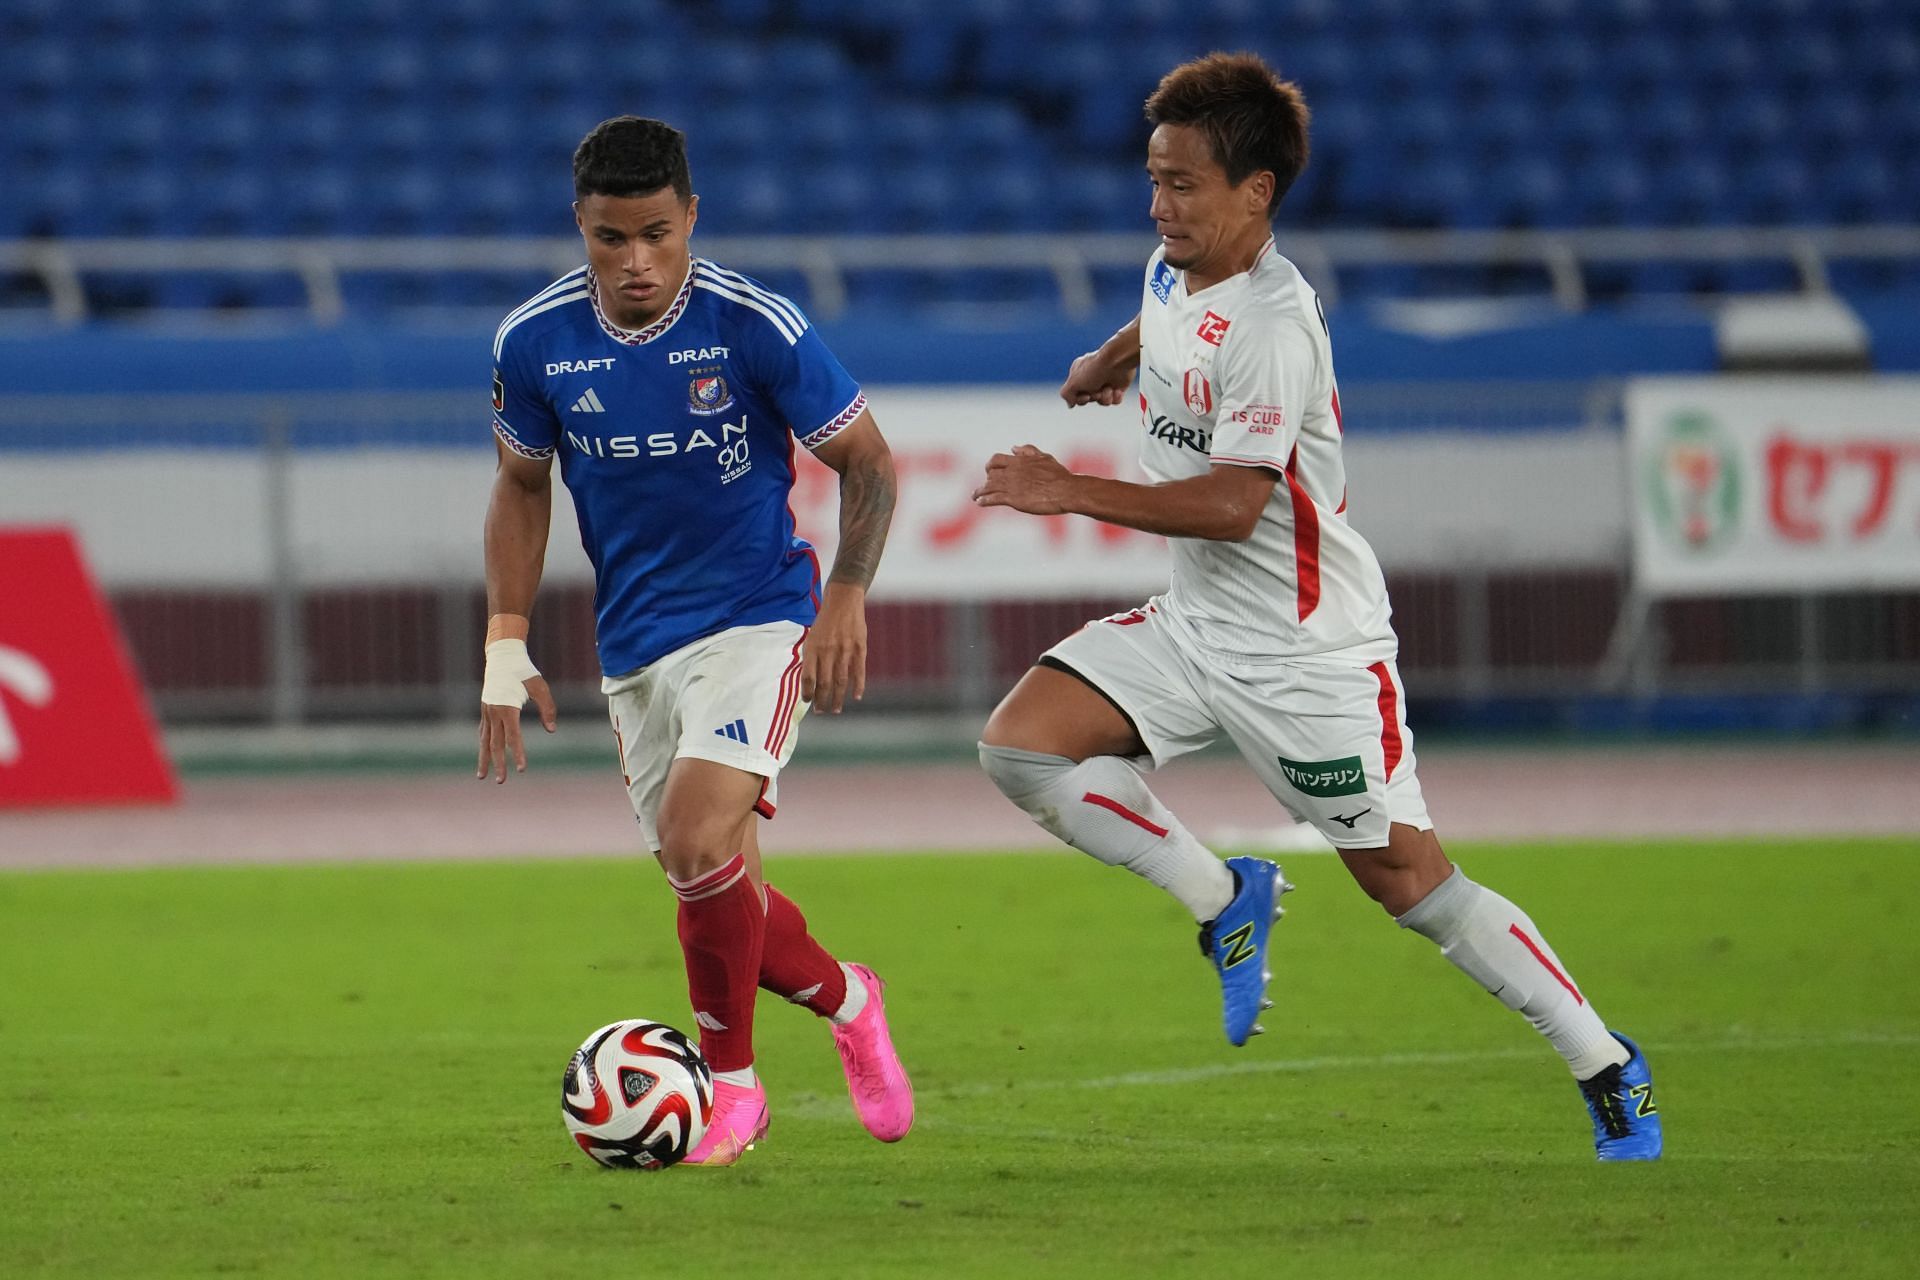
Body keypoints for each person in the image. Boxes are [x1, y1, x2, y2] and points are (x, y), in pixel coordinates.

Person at [972, 54, 1660, 1161]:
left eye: (1184, 184)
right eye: (1153, 180)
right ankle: (1223, 895)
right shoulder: (1172, 268)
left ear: (1258, 193)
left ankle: (1605, 1062)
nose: (1160, 205)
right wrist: (1108, 356)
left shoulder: (1279, 325)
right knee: (1021, 748)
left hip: (1308, 653)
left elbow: (1240, 505)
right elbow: (1167, 317)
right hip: (1198, 626)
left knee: (1412, 885)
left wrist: (1068, 490)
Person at [477, 116, 913, 1166]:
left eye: (657, 235)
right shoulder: (532, 342)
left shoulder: (751, 322)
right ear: (580, 226)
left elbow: (871, 462)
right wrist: (504, 640)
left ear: (692, 217)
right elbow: (522, 485)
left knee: (693, 838)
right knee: (721, 885)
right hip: (636, 650)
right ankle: (852, 998)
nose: (636, 263)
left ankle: (734, 1086)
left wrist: (847, 591)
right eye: (610, 239)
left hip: (758, 618)